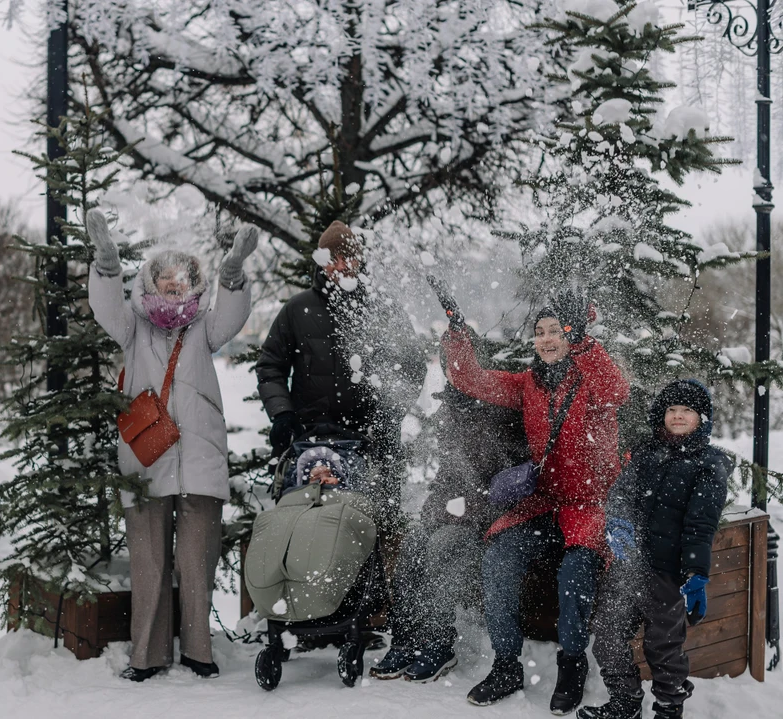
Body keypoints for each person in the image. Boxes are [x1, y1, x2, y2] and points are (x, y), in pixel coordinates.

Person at [85, 208, 257, 682]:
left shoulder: (204, 328)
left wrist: (234, 272)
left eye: (183, 282)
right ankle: (146, 655)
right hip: (146, 461)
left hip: (200, 460)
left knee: (196, 564)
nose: (174, 288)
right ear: (151, 284)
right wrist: (105, 263)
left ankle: (199, 651)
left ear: (193, 286)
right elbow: (105, 308)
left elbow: (232, 314)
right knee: (149, 565)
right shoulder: (132, 326)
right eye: (166, 281)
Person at [441, 292, 630, 714]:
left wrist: (582, 341)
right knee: (499, 559)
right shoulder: (527, 384)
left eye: (556, 332)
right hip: (543, 503)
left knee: (575, 573)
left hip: (587, 505)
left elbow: (618, 391)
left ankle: (571, 664)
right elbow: (470, 379)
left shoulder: (591, 380)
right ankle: (507, 665)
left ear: (570, 337)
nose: (546, 340)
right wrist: (457, 333)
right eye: (539, 332)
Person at [371, 333, 531, 683]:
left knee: (443, 546)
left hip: (485, 516)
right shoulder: (451, 408)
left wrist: (466, 509)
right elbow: (447, 475)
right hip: (449, 508)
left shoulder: (502, 410)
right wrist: (432, 512)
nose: (453, 370)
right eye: (447, 364)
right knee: (414, 542)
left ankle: (438, 642)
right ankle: (405, 638)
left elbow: (509, 478)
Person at [579, 380, 730, 719]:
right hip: (629, 566)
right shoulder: (646, 451)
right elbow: (621, 493)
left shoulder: (709, 464)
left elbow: (701, 524)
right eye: (672, 409)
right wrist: (617, 523)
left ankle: (668, 707)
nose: (677, 416)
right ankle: (625, 701)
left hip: (668, 572)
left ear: (701, 418)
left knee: (663, 647)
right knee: (607, 634)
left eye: (687, 410)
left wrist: (696, 572)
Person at [255, 220, 423, 512]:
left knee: (375, 527)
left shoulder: (383, 308)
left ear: (360, 260)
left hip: (372, 441)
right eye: (334, 258)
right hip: (311, 440)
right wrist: (282, 414)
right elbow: (270, 365)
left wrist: (391, 411)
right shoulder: (297, 309)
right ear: (322, 263)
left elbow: (412, 365)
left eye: (350, 256)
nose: (343, 265)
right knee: (309, 523)